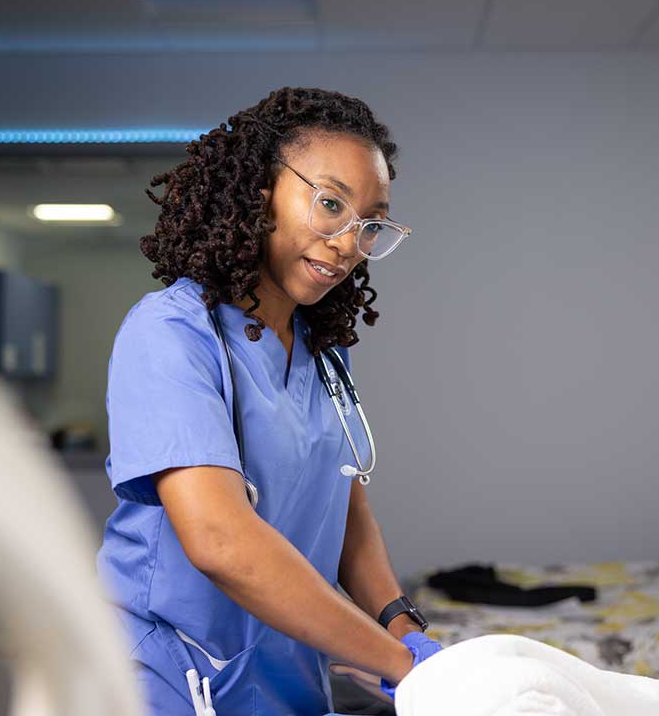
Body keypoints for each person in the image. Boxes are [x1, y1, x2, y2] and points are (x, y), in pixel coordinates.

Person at [96, 87, 442, 715]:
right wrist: (396, 664)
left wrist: (406, 629)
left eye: (370, 224)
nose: (347, 243)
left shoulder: (321, 351)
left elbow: (346, 513)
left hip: (285, 681)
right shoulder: (171, 334)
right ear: (257, 191)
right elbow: (219, 540)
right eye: (330, 204)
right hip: (167, 680)